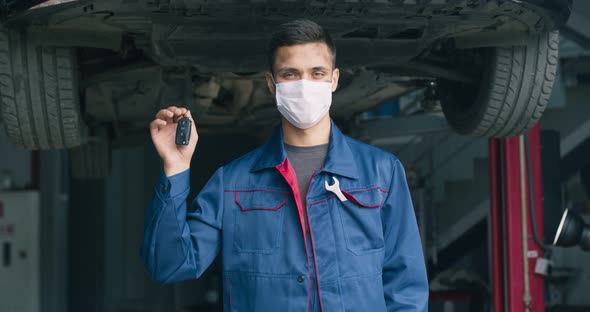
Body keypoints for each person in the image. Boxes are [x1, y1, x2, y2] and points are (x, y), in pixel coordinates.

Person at [142, 19, 428, 311]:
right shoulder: (233, 183)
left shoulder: (381, 172)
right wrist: (175, 168)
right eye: (290, 74)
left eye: (317, 73)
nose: (305, 86)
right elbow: (170, 266)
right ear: (271, 83)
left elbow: (406, 285)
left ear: (334, 79)